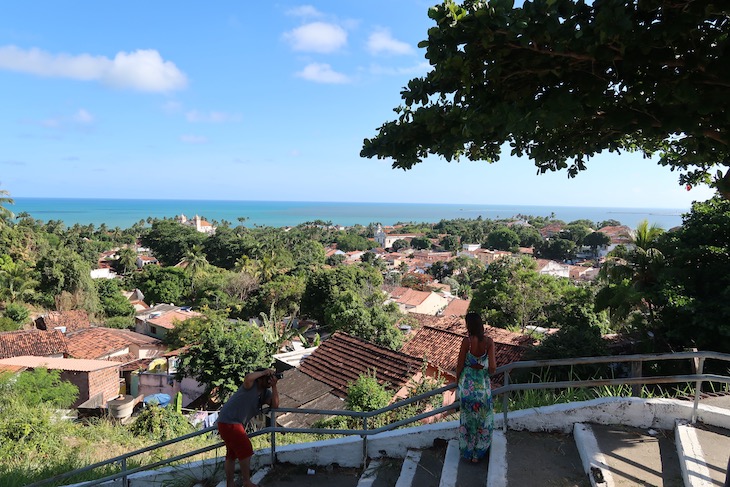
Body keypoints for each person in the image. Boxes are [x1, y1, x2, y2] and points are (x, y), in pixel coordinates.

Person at [216, 368, 279, 487]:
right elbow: (248, 377)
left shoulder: (265, 393)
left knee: (231, 454)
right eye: (267, 379)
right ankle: (246, 481)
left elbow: (275, 405)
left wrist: (275, 386)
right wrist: (264, 372)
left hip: (231, 423)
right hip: (229, 421)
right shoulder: (250, 386)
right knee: (246, 449)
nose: (269, 381)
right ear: (260, 379)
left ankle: (230, 484)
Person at [455, 312, 496, 463]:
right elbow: (492, 368)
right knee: (483, 421)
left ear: (468, 325)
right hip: (482, 388)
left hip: (467, 387)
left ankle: (467, 452)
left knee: (468, 421)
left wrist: (456, 383)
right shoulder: (489, 342)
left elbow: (459, 366)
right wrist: (482, 367)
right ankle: (478, 454)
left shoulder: (466, 342)